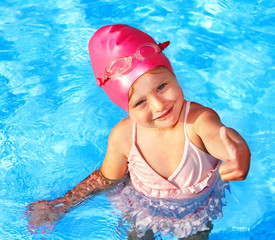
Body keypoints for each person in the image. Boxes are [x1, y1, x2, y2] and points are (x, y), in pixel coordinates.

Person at [27, 24, 251, 239]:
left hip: (195, 213)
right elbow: (105, 178)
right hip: (143, 210)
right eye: (140, 102)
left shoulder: (198, 120)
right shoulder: (123, 137)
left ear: (173, 75)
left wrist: (238, 151)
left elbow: (220, 136)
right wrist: (63, 204)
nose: (158, 105)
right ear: (125, 107)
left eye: (162, 87)